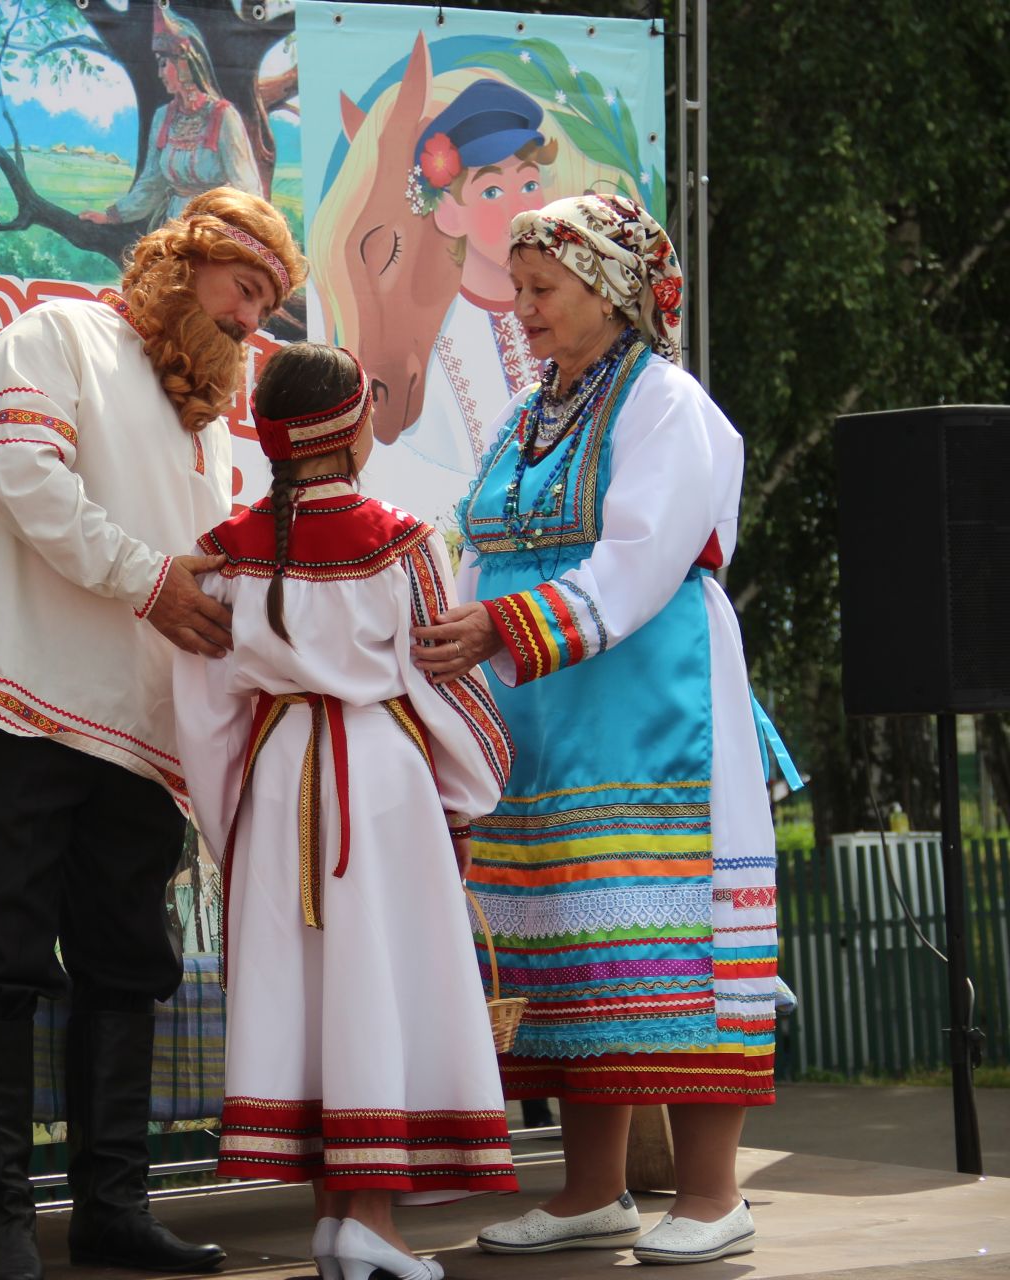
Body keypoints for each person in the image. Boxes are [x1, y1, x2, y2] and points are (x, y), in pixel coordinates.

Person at [0, 185, 303, 1280]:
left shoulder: (206, 422)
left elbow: (208, 571)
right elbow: (22, 477)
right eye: (245, 293)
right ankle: (1, 1224)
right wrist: (145, 578)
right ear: (190, 261)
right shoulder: (58, 334)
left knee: (128, 965)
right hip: (28, 697)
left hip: (144, 729)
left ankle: (112, 1209)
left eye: (268, 307)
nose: (250, 325)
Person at [412, 193, 784, 1267]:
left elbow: (643, 553)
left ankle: (715, 1194)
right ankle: (590, 1188)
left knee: (671, 930)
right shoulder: (536, 410)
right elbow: (483, 541)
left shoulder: (666, 402)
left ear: (614, 292)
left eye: (542, 289)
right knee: (571, 943)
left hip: (646, 692)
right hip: (541, 703)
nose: (520, 307)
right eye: (519, 287)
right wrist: (455, 646)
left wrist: (501, 624)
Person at [174, 342, 519, 1280]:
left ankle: (337, 1220)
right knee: (382, 986)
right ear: (351, 429)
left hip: (278, 779)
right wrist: (469, 790)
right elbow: (444, 679)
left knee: (316, 993)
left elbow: (204, 717)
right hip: (382, 780)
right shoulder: (401, 541)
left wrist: (233, 829)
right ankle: (372, 1224)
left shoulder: (222, 554)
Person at [400, 79, 555, 482]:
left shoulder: (573, 320)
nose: (521, 209)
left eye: (529, 184)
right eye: (491, 192)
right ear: (448, 212)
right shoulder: (433, 345)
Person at [81, 7, 261, 231]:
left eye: (164, 64)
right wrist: (111, 216)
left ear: (185, 63)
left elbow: (248, 188)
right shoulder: (163, 117)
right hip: (173, 227)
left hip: (217, 231)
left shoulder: (223, 116)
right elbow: (151, 184)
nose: (160, 73)